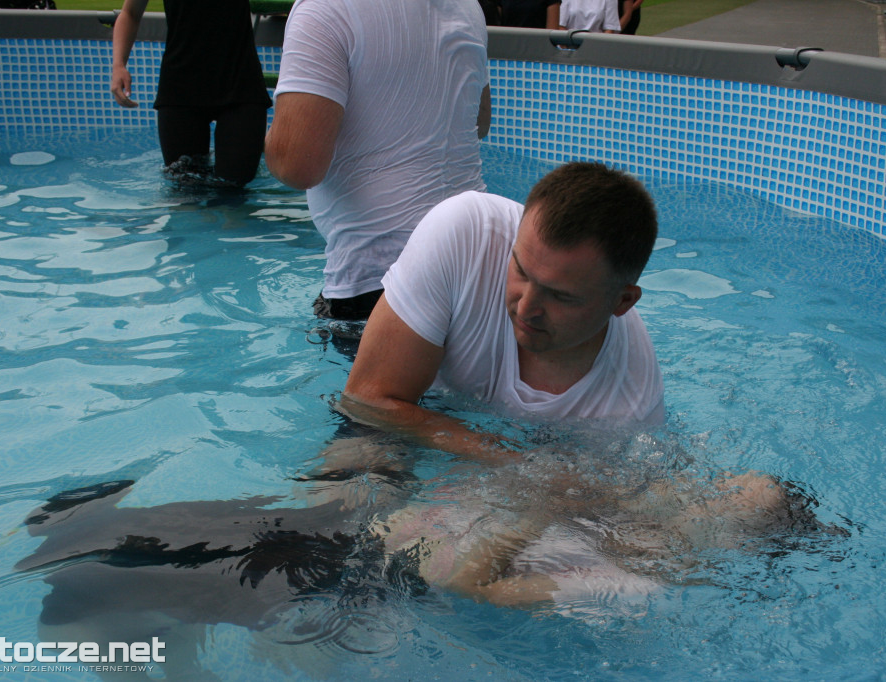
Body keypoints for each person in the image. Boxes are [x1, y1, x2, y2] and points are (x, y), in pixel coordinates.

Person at [342, 162, 663, 462]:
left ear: (622, 302)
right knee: (356, 466)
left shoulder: (631, 404)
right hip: (398, 392)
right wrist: (510, 461)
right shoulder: (466, 235)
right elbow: (367, 400)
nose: (526, 307)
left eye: (559, 296)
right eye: (521, 270)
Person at [264, 0, 491, 321]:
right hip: (478, 261)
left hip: (377, 274)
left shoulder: (325, 7)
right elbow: (479, 122)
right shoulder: (468, 6)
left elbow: (297, 165)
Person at [110, 0, 271, 188]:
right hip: (180, 88)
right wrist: (118, 65)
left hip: (241, 85)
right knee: (184, 192)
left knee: (235, 190)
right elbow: (130, 13)